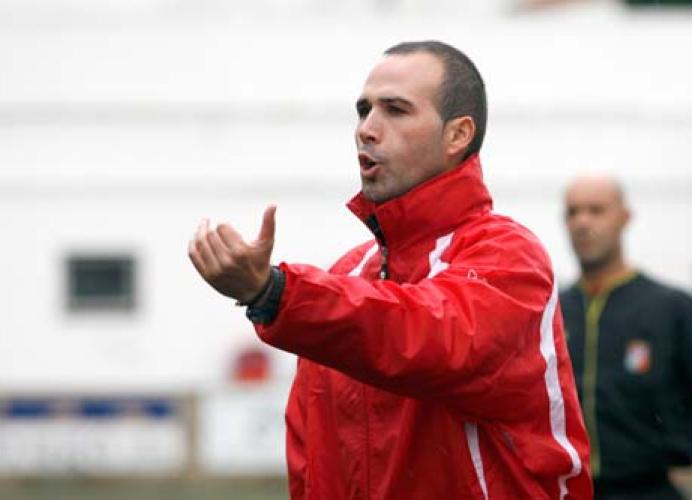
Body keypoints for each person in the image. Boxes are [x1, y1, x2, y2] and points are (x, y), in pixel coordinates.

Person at [189, 40, 593, 499]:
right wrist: (281, 296)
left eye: (395, 110)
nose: (366, 129)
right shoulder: (342, 276)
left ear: (458, 135)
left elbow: (430, 337)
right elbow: (310, 462)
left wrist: (275, 293)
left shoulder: (507, 254)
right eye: (363, 111)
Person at [560, 175, 692, 500]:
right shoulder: (551, 312)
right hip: (569, 491)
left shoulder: (672, 307)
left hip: (651, 488)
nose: (582, 222)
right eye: (573, 212)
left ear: (624, 217)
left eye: (596, 210)